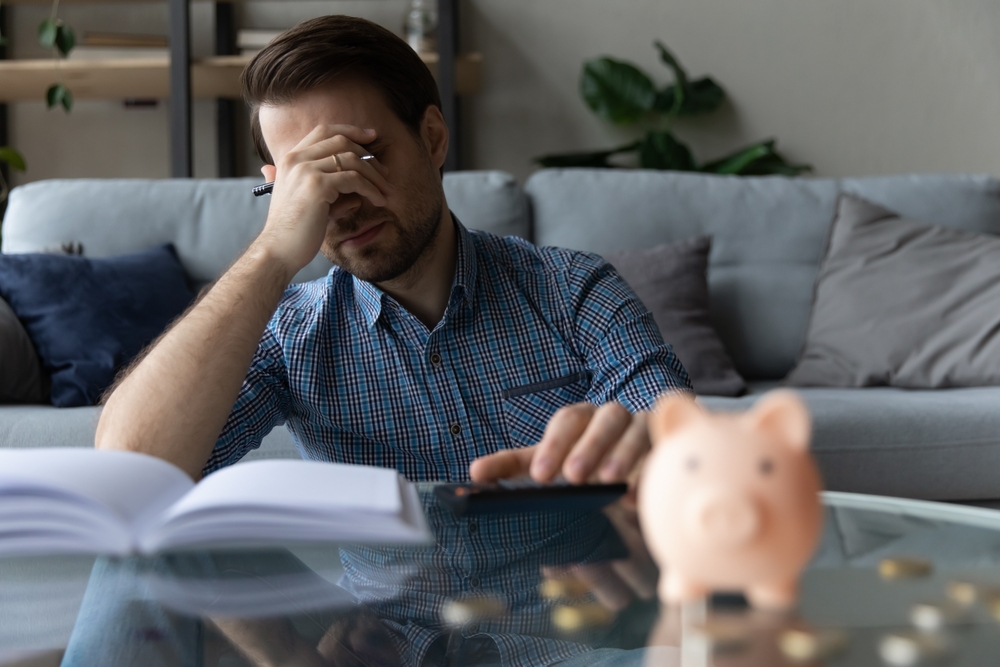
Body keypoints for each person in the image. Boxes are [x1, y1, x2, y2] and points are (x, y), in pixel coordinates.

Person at [91, 13, 690, 666]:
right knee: (130, 541)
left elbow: (675, 432)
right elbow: (128, 474)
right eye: (309, 177)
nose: (342, 201)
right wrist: (271, 252)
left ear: (432, 137)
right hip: (378, 650)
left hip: (568, 649)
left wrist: (639, 447)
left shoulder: (571, 289)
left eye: (363, 156)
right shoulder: (294, 333)